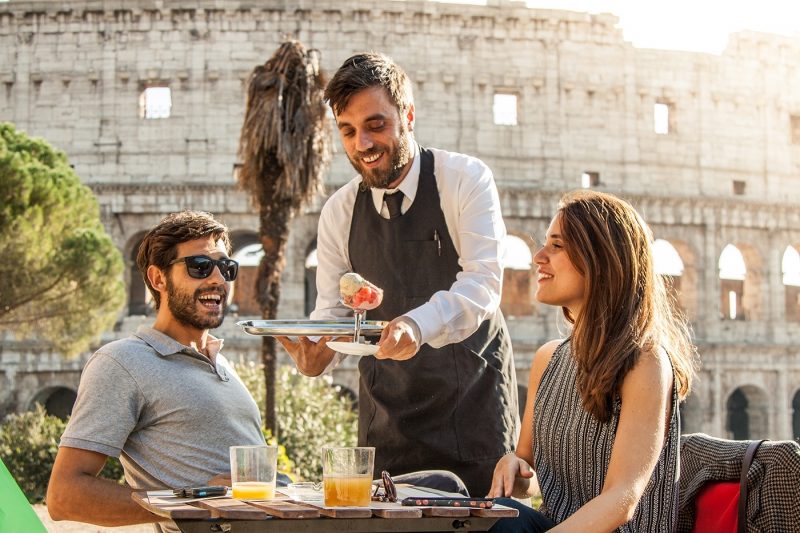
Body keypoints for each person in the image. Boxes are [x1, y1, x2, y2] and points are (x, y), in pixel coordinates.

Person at [277, 52, 518, 497]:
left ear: (407, 115)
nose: (362, 144)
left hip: (471, 412)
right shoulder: (338, 211)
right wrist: (320, 353)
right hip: (386, 420)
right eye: (348, 131)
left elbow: (483, 282)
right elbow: (332, 310)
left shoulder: (464, 179)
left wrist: (414, 324)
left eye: (376, 125)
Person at [487, 190, 698, 532]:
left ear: (600, 259)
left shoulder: (645, 362)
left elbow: (622, 500)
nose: (538, 257)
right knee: (484, 513)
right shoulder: (548, 359)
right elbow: (528, 474)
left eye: (556, 246)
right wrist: (513, 465)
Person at [47, 211, 266, 532]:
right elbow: (65, 496)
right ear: (158, 278)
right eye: (200, 266)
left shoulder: (222, 362)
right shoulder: (121, 362)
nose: (218, 279)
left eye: (227, 267)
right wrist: (196, 502)